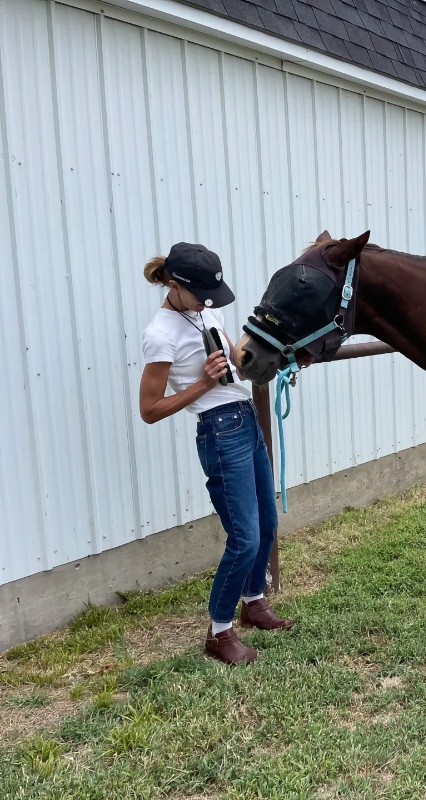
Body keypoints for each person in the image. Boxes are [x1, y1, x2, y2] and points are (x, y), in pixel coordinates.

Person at [139, 243, 293, 666]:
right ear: (173, 286)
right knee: (243, 538)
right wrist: (203, 386)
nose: (210, 303)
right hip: (219, 430)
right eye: (202, 294)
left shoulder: (208, 312)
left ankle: (254, 603)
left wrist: (270, 359)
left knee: (267, 524)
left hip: (244, 417)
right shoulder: (160, 334)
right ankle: (219, 632)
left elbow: (235, 367)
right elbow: (149, 410)